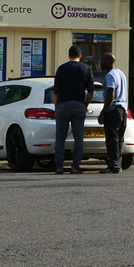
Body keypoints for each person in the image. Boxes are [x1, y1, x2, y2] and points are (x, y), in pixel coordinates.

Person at [53, 44, 94, 174]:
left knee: (60, 137)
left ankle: (59, 166)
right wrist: (85, 104)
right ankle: (76, 166)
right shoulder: (86, 69)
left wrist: (56, 106)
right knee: (78, 137)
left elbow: (56, 91)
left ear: (69, 55)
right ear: (80, 57)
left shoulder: (61, 69)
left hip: (63, 105)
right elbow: (91, 91)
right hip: (79, 105)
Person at [99, 53, 128, 173]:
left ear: (110, 61)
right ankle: (117, 164)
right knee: (119, 139)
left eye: (103, 60)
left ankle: (114, 165)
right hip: (123, 110)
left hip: (113, 110)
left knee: (112, 140)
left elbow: (111, 95)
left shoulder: (110, 75)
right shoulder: (121, 73)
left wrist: (103, 112)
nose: (101, 63)